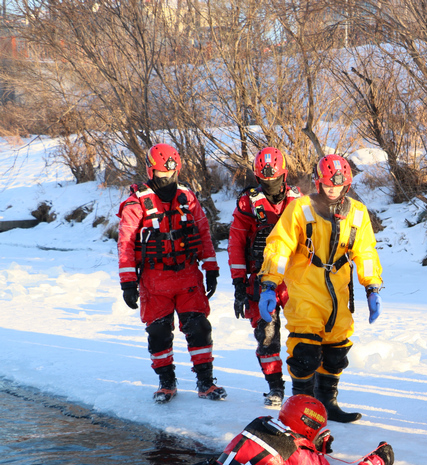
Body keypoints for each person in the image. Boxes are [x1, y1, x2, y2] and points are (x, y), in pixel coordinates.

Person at [257, 154, 382, 423]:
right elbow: (279, 246)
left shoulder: (358, 213)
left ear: (346, 184)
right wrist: (269, 283)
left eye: (338, 184)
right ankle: (300, 408)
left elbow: (366, 252)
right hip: (305, 288)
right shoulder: (301, 209)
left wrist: (372, 287)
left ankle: (327, 403)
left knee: (337, 350)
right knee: (304, 352)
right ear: (319, 183)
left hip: (338, 292)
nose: (333, 189)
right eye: (328, 184)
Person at [117, 143, 226, 403]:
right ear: (150, 172)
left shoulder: (188, 199)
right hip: (154, 280)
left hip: (188, 275)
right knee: (158, 333)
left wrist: (211, 268)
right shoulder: (136, 204)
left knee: (199, 327)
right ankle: (166, 382)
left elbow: (203, 233)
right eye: (161, 176)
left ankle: (205, 382)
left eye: (171, 175)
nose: (166, 180)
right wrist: (127, 282)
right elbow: (126, 245)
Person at [159, 395, 395, 465]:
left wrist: (317, 449)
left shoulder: (259, 425)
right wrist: (378, 461)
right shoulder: (301, 456)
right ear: (310, 425)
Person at [228, 147, 301, 408]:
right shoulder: (247, 204)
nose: (270, 182)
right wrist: (238, 284)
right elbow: (236, 243)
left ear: (284, 174)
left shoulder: (299, 201)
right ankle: (275, 387)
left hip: (295, 279)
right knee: (267, 334)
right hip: (259, 278)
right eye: (264, 178)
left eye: (275, 177)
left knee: (303, 333)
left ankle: (303, 386)